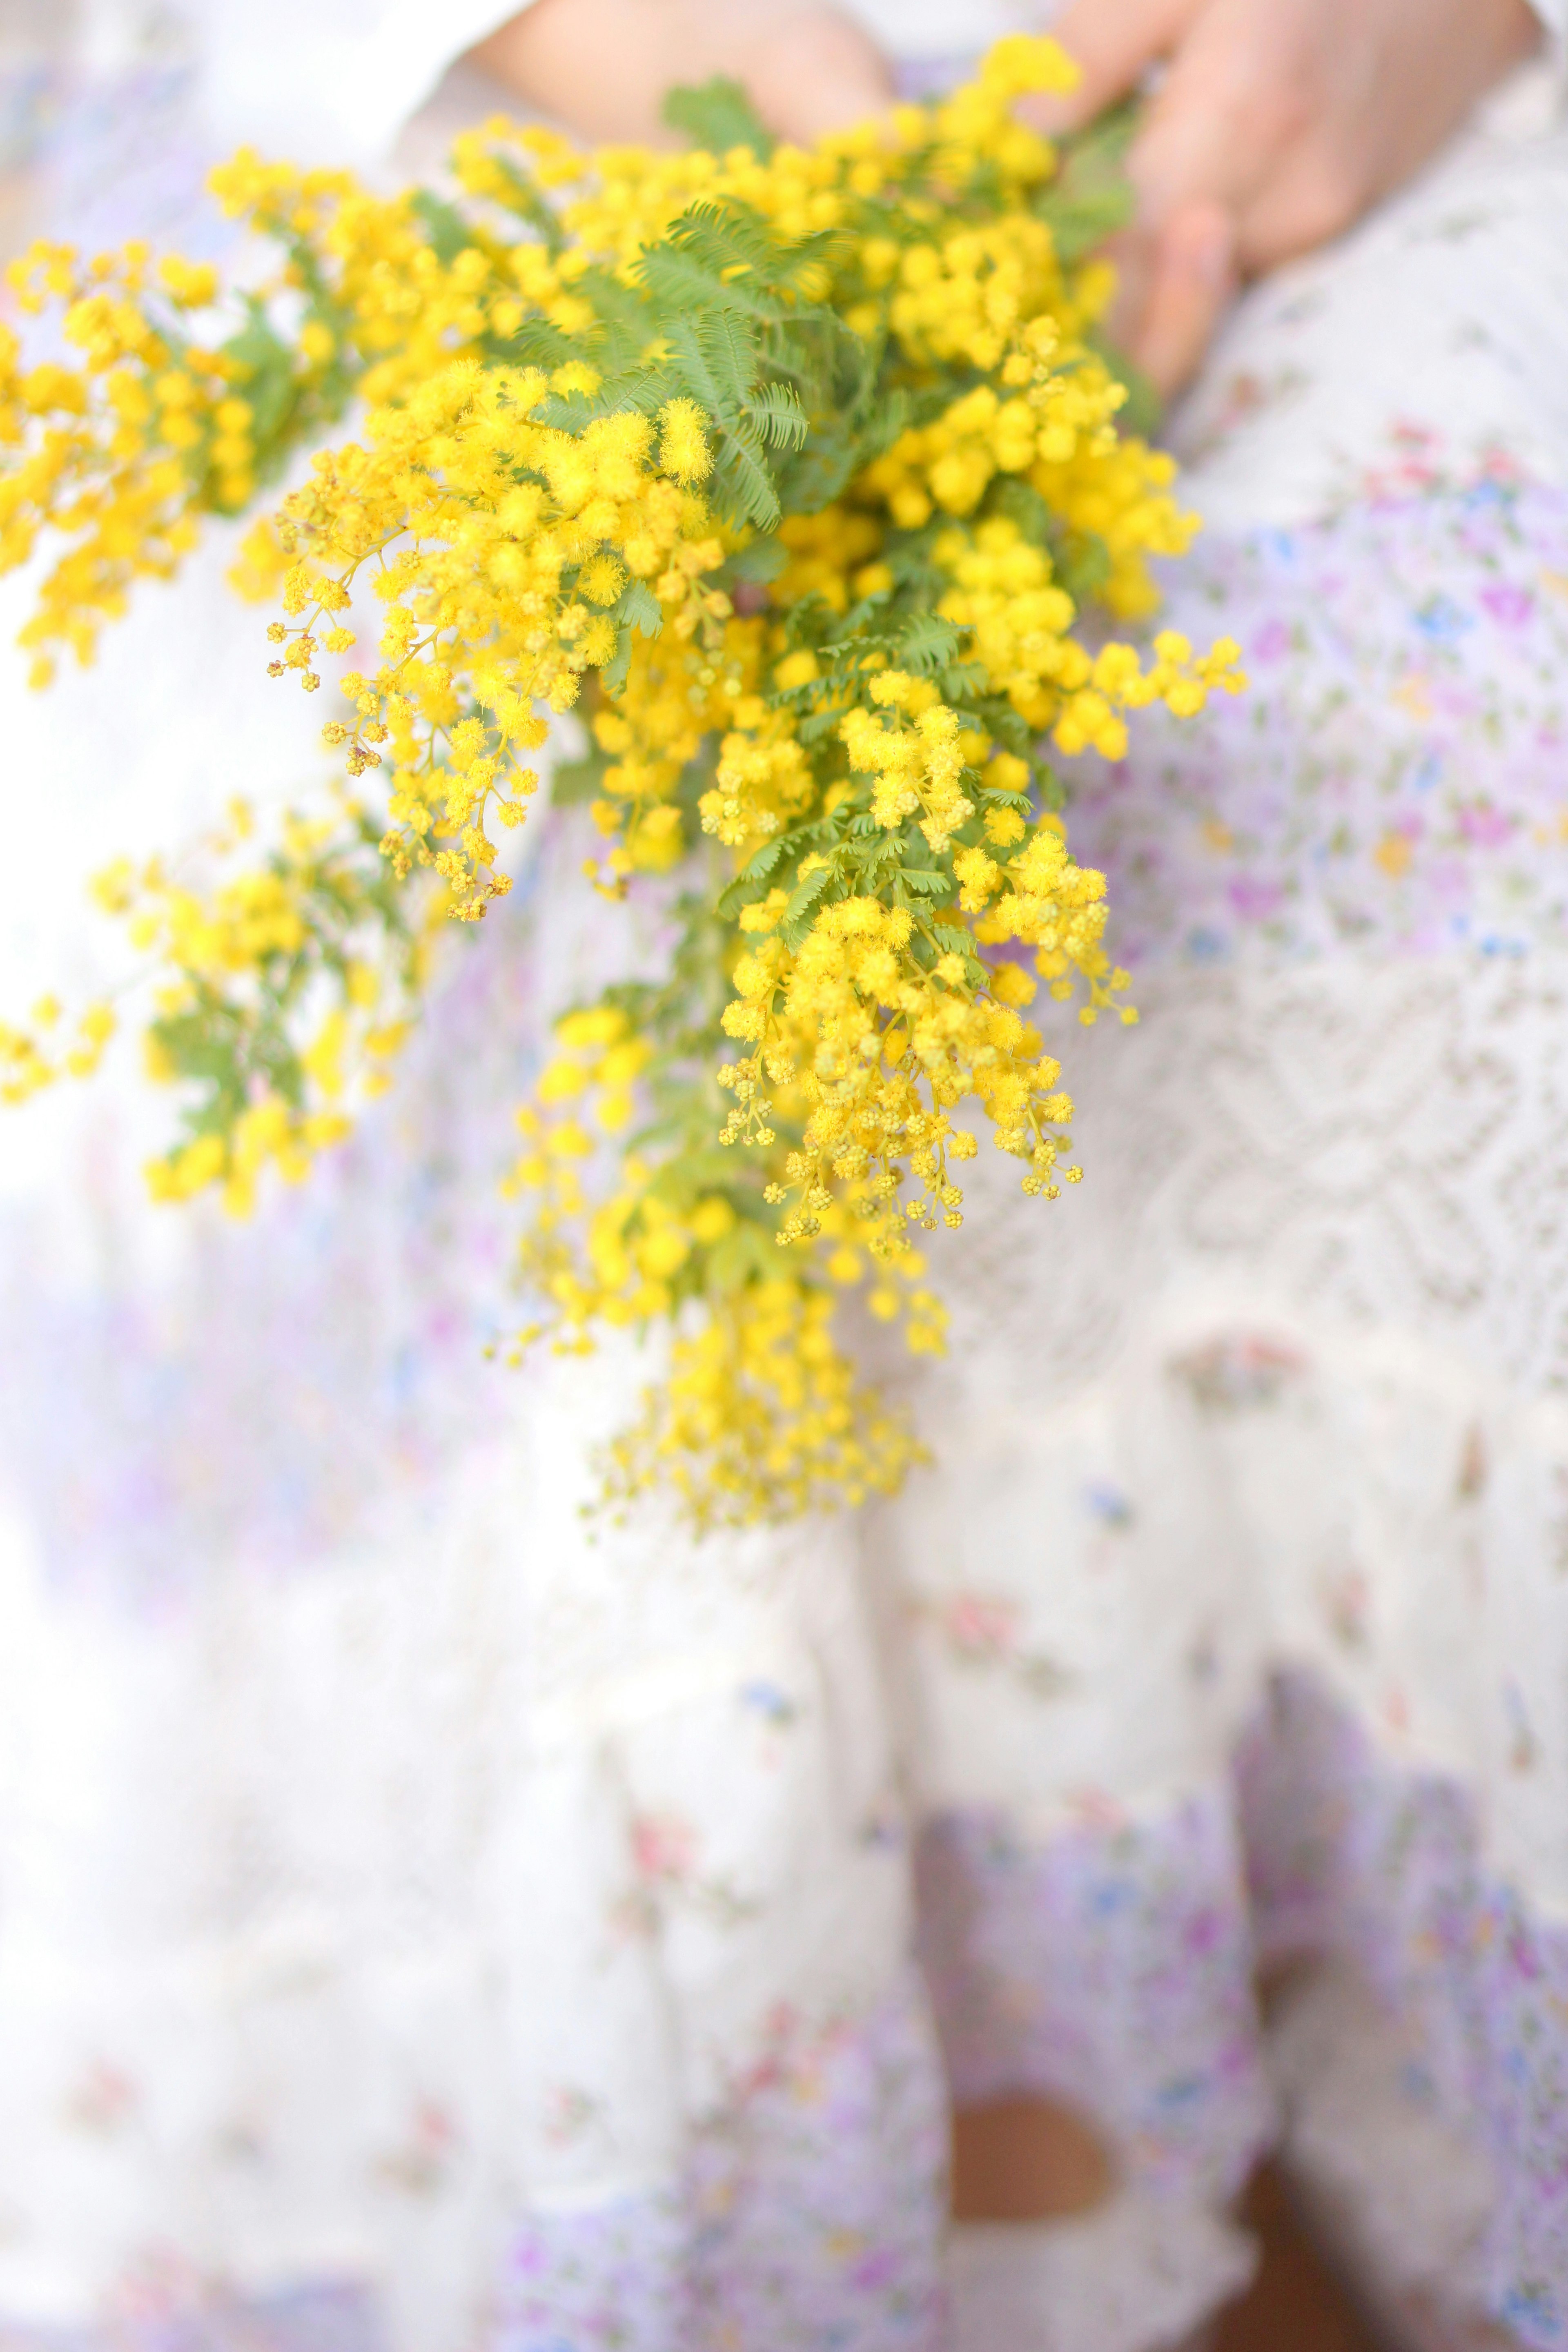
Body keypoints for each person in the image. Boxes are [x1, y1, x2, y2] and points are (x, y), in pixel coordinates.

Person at [1, 3, 1566, 2349]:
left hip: (1323, 108)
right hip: (436, 106)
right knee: (468, 856)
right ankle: (906, 2129)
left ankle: (1268, 2064)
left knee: (1481, 776)